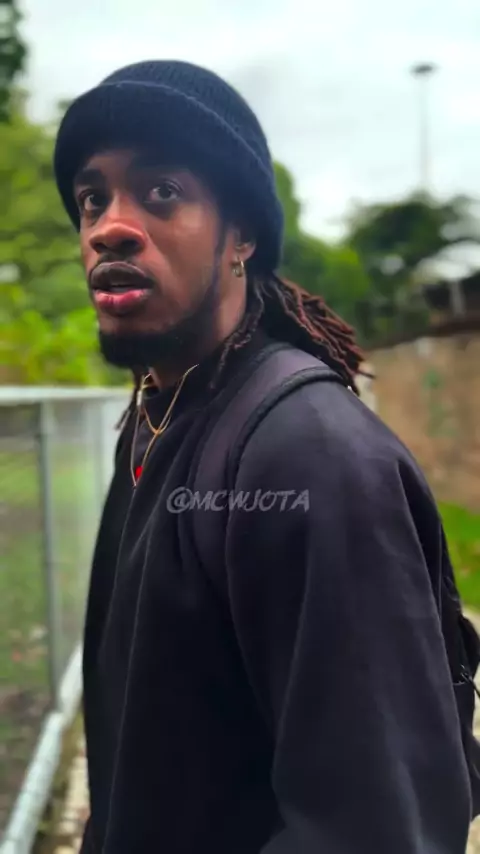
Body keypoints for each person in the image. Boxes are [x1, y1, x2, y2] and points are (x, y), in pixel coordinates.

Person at [53, 60, 472, 854]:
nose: (109, 226)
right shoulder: (156, 414)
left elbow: (377, 830)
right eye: (92, 198)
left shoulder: (310, 459)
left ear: (241, 236)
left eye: (162, 191)